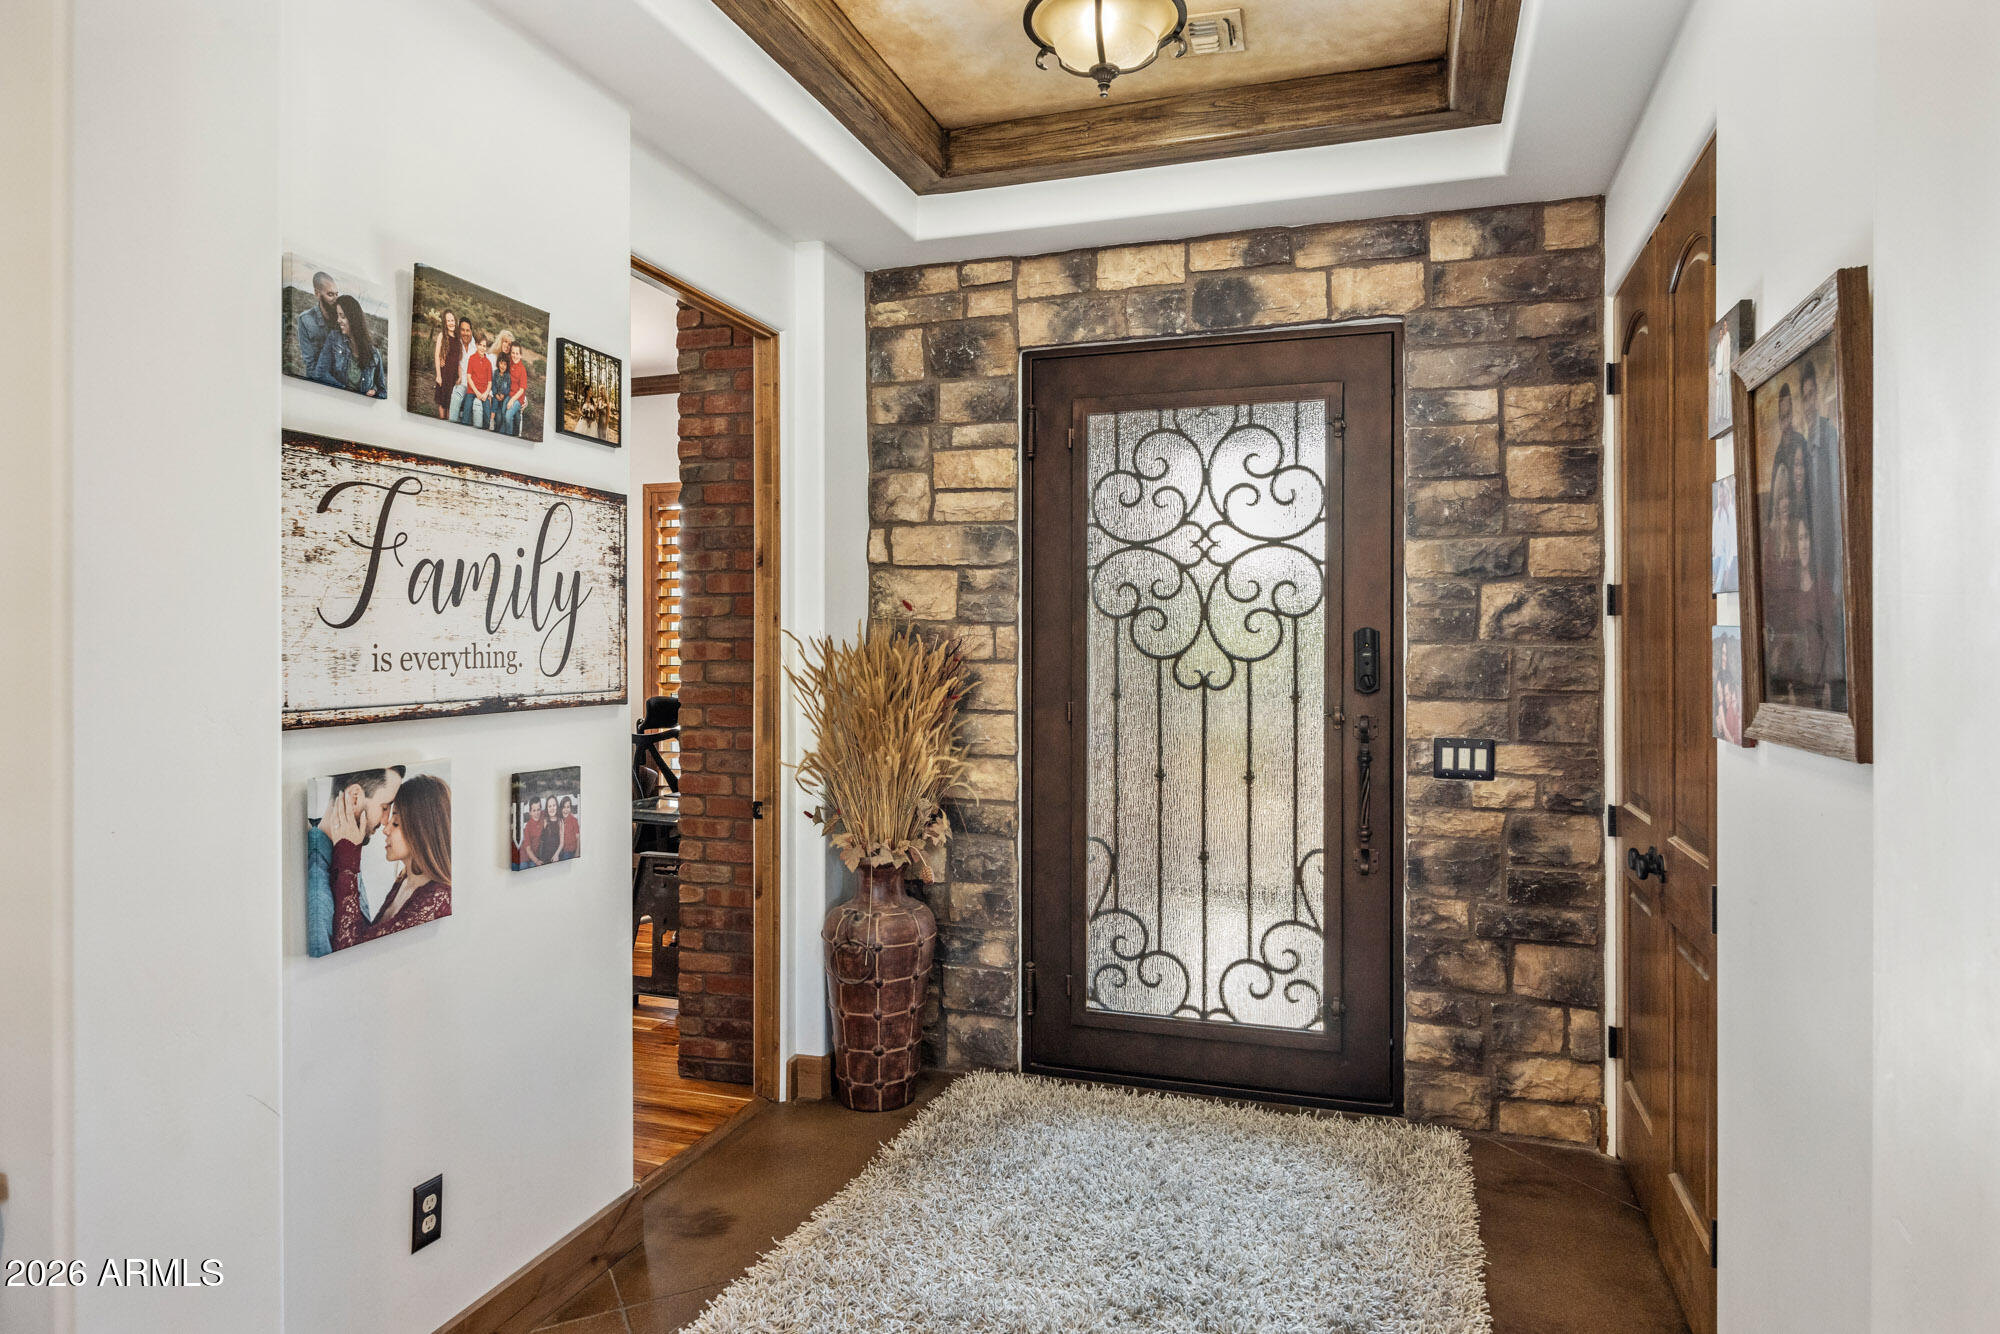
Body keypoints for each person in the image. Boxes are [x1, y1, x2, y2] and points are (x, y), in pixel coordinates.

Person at [328, 773, 452, 950]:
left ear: (422, 830)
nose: (385, 829)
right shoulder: (405, 880)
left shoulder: (438, 898)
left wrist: (348, 857)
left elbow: (352, 946)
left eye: (396, 823)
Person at [306, 765, 404, 958]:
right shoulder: (317, 886)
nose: (385, 821)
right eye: (385, 807)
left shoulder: (346, 848)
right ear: (355, 798)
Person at [311, 294, 386, 398]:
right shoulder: (334, 338)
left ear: (353, 318)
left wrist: (374, 392)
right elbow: (320, 373)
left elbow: (383, 391)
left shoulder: (374, 354)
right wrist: (346, 390)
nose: (338, 320)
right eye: (338, 315)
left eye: (342, 316)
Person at [295, 271, 340, 378]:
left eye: (336, 294)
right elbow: (310, 363)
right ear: (317, 293)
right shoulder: (305, 319)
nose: (335, 299)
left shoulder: (342, 318)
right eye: (330, 294)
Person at [445, 319, 476, 423]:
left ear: (471, 331)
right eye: (462, 330)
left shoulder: (476, 347)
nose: (465, 333)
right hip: (461, 382)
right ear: (459, 330)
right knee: (456, 397)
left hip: (473, 386)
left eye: (468, 330)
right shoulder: (456, 344)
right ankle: (451, 425)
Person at [461, 332, 494, 427]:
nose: (483, 348)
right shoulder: (472, 358)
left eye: (485, 346)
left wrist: (485, 393)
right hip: (472, 391)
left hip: (484, 392)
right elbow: (469, 377)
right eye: (480, 345)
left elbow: (489, 382)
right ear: (476, 345)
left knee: (487, 414)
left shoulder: (488, 363)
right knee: (467, 410)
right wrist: (476, 392)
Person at [432, 309, 459, 418]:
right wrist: (438, 376)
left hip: (453, 375)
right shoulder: (442, 335)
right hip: (444, 374)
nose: (451, 323)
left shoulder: (458, 337)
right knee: (443, 402)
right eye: (448, 321)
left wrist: (459, 375)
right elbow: (437, 355)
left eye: (452, 320)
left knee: (450, 403)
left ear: (455, 321)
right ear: (445, 323)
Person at [499, 344, 529, 436]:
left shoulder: (522, 369)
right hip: (509, 394)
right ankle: (503, 433)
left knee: (508, 415)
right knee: (504, 411)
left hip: (518, 398)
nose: (515, 355)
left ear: (520, 355)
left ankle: (509, 435)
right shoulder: (509, 363)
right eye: (513, 353)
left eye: (517, 353)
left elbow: (521, 390)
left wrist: (511, 401)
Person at [515, 796, 548, 868]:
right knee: (524, 868)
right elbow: (528, 849)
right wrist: (536, 861)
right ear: (530, 812)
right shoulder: (528, 827)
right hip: (525, 854)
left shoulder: (543, 815)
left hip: (536, 854)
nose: (537, 813)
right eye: (534, 810)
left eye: (538, 810)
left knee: (534, 868)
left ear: (541, 809)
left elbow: (551, 811)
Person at [556, 796, 580, 861]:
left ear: (570, 808)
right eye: (563, 807)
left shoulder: (574, 820)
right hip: (562, 849)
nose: (566, 810)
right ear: (561, 808)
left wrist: (577, 852)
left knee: (565, 857)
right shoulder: (559, 820)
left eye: (568, 807)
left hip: (571, 850)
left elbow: (578, 837)